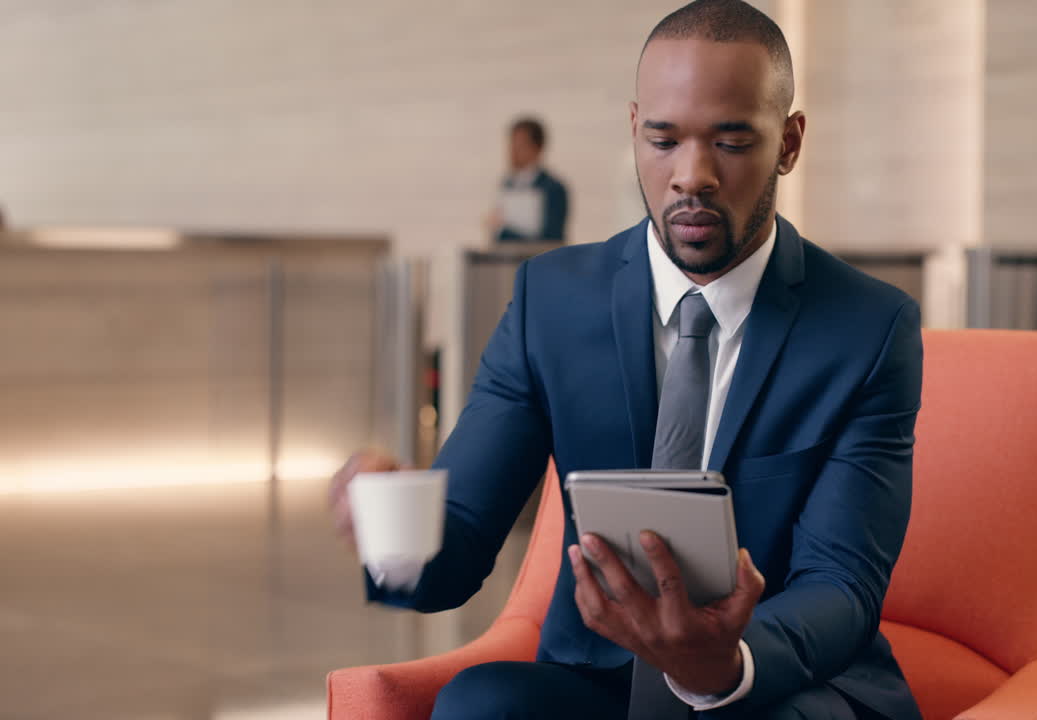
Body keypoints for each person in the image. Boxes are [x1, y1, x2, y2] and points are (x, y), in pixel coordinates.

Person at [330, 1, 922, 718]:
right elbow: (458, 539)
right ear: (633, 129)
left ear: (790, 142)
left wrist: (722, 662)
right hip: (599, 676)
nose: (690, 176)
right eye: (663, 139)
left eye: (732, 142)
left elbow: (841, 582)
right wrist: (397, 531)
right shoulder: (552, 302)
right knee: (477, 705)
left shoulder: (869, 327)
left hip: (772, 683)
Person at [487, 117, 570, 243]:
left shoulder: (553, 188)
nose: (513, 151)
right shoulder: (507, 184)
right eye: (512, 144)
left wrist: (503, 230)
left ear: (537, 148)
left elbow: (551, 239)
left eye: (520, 145)